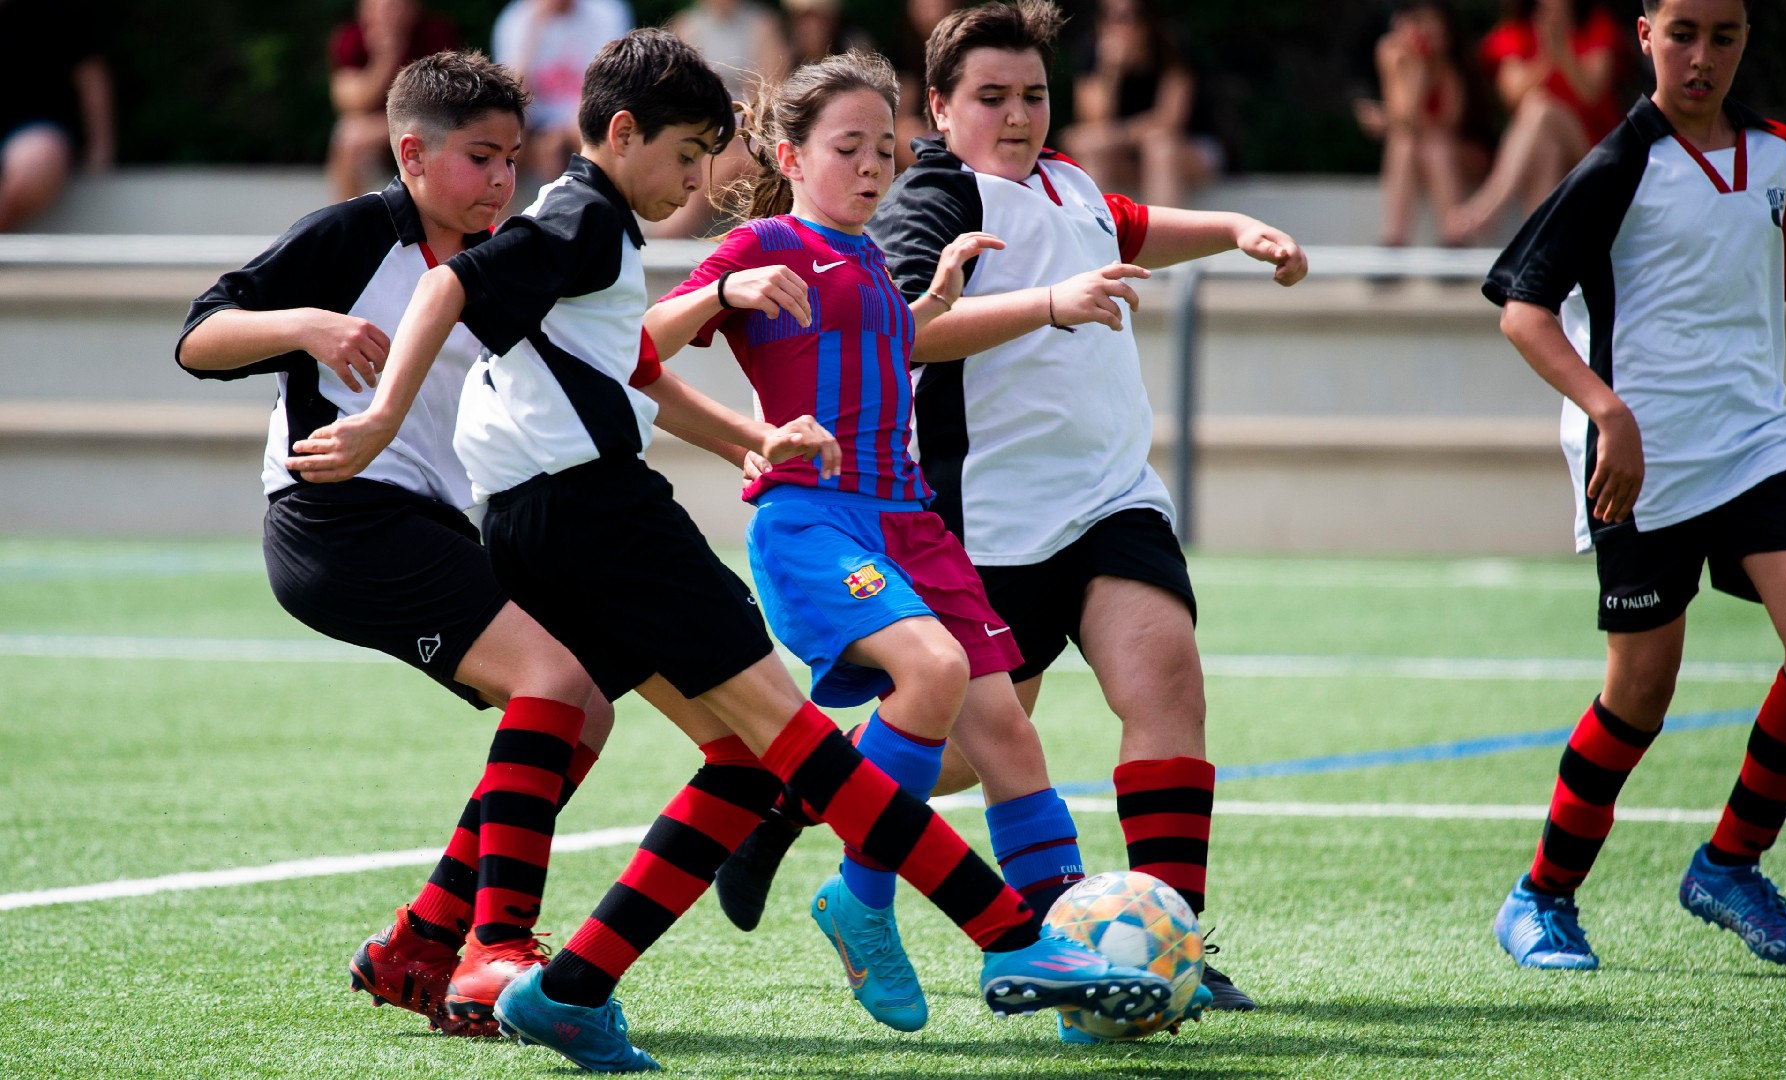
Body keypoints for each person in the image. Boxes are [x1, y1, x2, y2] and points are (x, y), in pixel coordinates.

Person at [286, 28, 1170, 1072]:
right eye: (690, 152)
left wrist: (753, 435)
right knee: (799, 744)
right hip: (603, 520)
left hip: (554, 519)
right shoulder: (582, 214)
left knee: (747, 763)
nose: (703, 177)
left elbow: (629, 374)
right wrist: (387, 418)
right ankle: (1013, 939)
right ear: (623, 134)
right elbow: (453, 290)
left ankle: (558, 985)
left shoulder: (603, 230)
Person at [644, 50, 1136, 1035]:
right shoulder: (763, 245)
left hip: (909, 520)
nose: (873, 167)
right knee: (934, 670)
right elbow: (644, 341)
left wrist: (936, 304)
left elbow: (879, 344)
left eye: (885, 148)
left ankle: (1061, 963)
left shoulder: (866, 254)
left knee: (1008, 733)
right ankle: (862, 902)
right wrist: (723, 297)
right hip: (813, 519)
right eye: (848, 148)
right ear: (789, 153)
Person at [863, 0, 1307, 1021]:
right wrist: (1051, 303)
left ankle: (1175, 946)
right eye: (991, 98)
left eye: (1033, 94)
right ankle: (800, 791)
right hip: (986, 529)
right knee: (953, 759)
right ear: (939, 105)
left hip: (1110, 503)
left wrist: (1239, 230)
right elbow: (900, 330)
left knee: (1166, 681)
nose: (1017, 116)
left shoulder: (1067, 183)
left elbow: (1136, 225)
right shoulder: (935, 191)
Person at [176, 51, 615, 1038]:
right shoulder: (356, 233)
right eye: (479, 159)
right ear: (411, 155)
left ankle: (424, 941)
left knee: (584, 710)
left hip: (425, 523)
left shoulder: (502, 257)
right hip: (335, 516)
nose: (502, 181)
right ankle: (495, 955)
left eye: (513, 159)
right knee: (549, 683)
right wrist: (310, 327)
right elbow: (199, 337)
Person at [1482, 0, 1786, 973]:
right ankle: (1542, 896)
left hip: (1754, 443)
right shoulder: (1619, 163)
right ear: (1644, 32)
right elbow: (1522, 312)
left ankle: (1731, 864)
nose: (1702, 57)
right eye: (1682, 32)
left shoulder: (1778, 154)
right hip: (1637, 465)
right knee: (1640, 696)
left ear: (1746, 41)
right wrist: (1609, 414)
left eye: (1724, 36)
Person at [1445, 0, 1623, 244]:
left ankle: (1489, 205)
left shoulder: (1596, 25)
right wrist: (1546, 55)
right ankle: (1539, 252)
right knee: (1546, 147)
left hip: (1595, 149)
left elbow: (1592, 92)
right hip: (1545, 147)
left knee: (1540, 108)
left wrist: (1562, 48)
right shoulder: (1517, 30)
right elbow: (1512, 95)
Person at [1058, 0, 1220, 210]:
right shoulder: (1092, 53)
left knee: (1159, 149)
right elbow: (1093, 122)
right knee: (1090, 148)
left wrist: (1115, 136)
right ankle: (1101, 233)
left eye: (1126, 17)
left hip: (1191, 147)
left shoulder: (1171, 50)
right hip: (1128, 153)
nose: (1115, 26)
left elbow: (1168, 122)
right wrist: (1110, 71)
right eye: (1107, 16)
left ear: (1147, 21)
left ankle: (1165, 239)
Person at [1358, 0, 1491, 247]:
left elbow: (1448, 123)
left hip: (1463, 153)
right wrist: (1416, 69)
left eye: (1432, 21)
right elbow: (1406, 119)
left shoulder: (1452, 64)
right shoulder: (1392, 53)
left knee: (1435, 144)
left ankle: (1454, 236)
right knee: (1405, 143)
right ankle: (1394, 239)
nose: (1427, 29)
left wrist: (1434, 68)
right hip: (1419, 151)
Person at [656, 0, 790, 237]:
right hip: (705, 125)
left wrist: (740, 131)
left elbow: (770, 92)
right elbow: (679, 94)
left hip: (748, 128)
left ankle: (667, 233)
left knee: (730, 161)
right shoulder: (686, 26)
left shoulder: (762, 26)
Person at [326, 0, 461, 202]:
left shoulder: (435, 35)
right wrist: (386, 57)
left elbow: (442, 102)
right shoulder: (352, 38)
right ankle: (351, 225)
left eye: (397, 6)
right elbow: (351, 101)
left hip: (428, 122)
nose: (391, 14)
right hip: (380, 128)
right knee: (348, 140)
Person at [0, 0, 114, 231]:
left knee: (36, 158)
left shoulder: (58, 11)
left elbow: (91, 77)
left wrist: (100, 148)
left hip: (39, 135)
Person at [491, 0, 634, 185]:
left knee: (588, 131)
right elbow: (513, 92)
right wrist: (534, 29)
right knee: (505, 132)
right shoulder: (516, 19)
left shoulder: (608, 12)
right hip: (535, 121)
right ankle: (501, 212)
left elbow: (610, 83)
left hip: (581, 114)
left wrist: (561, 133)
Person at [888, 0, 963, 170]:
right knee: (905, 132)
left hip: (961, 125)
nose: (929, 8)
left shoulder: (968, 48)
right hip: (926, 131)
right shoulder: (901, 50)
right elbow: (902, 114)